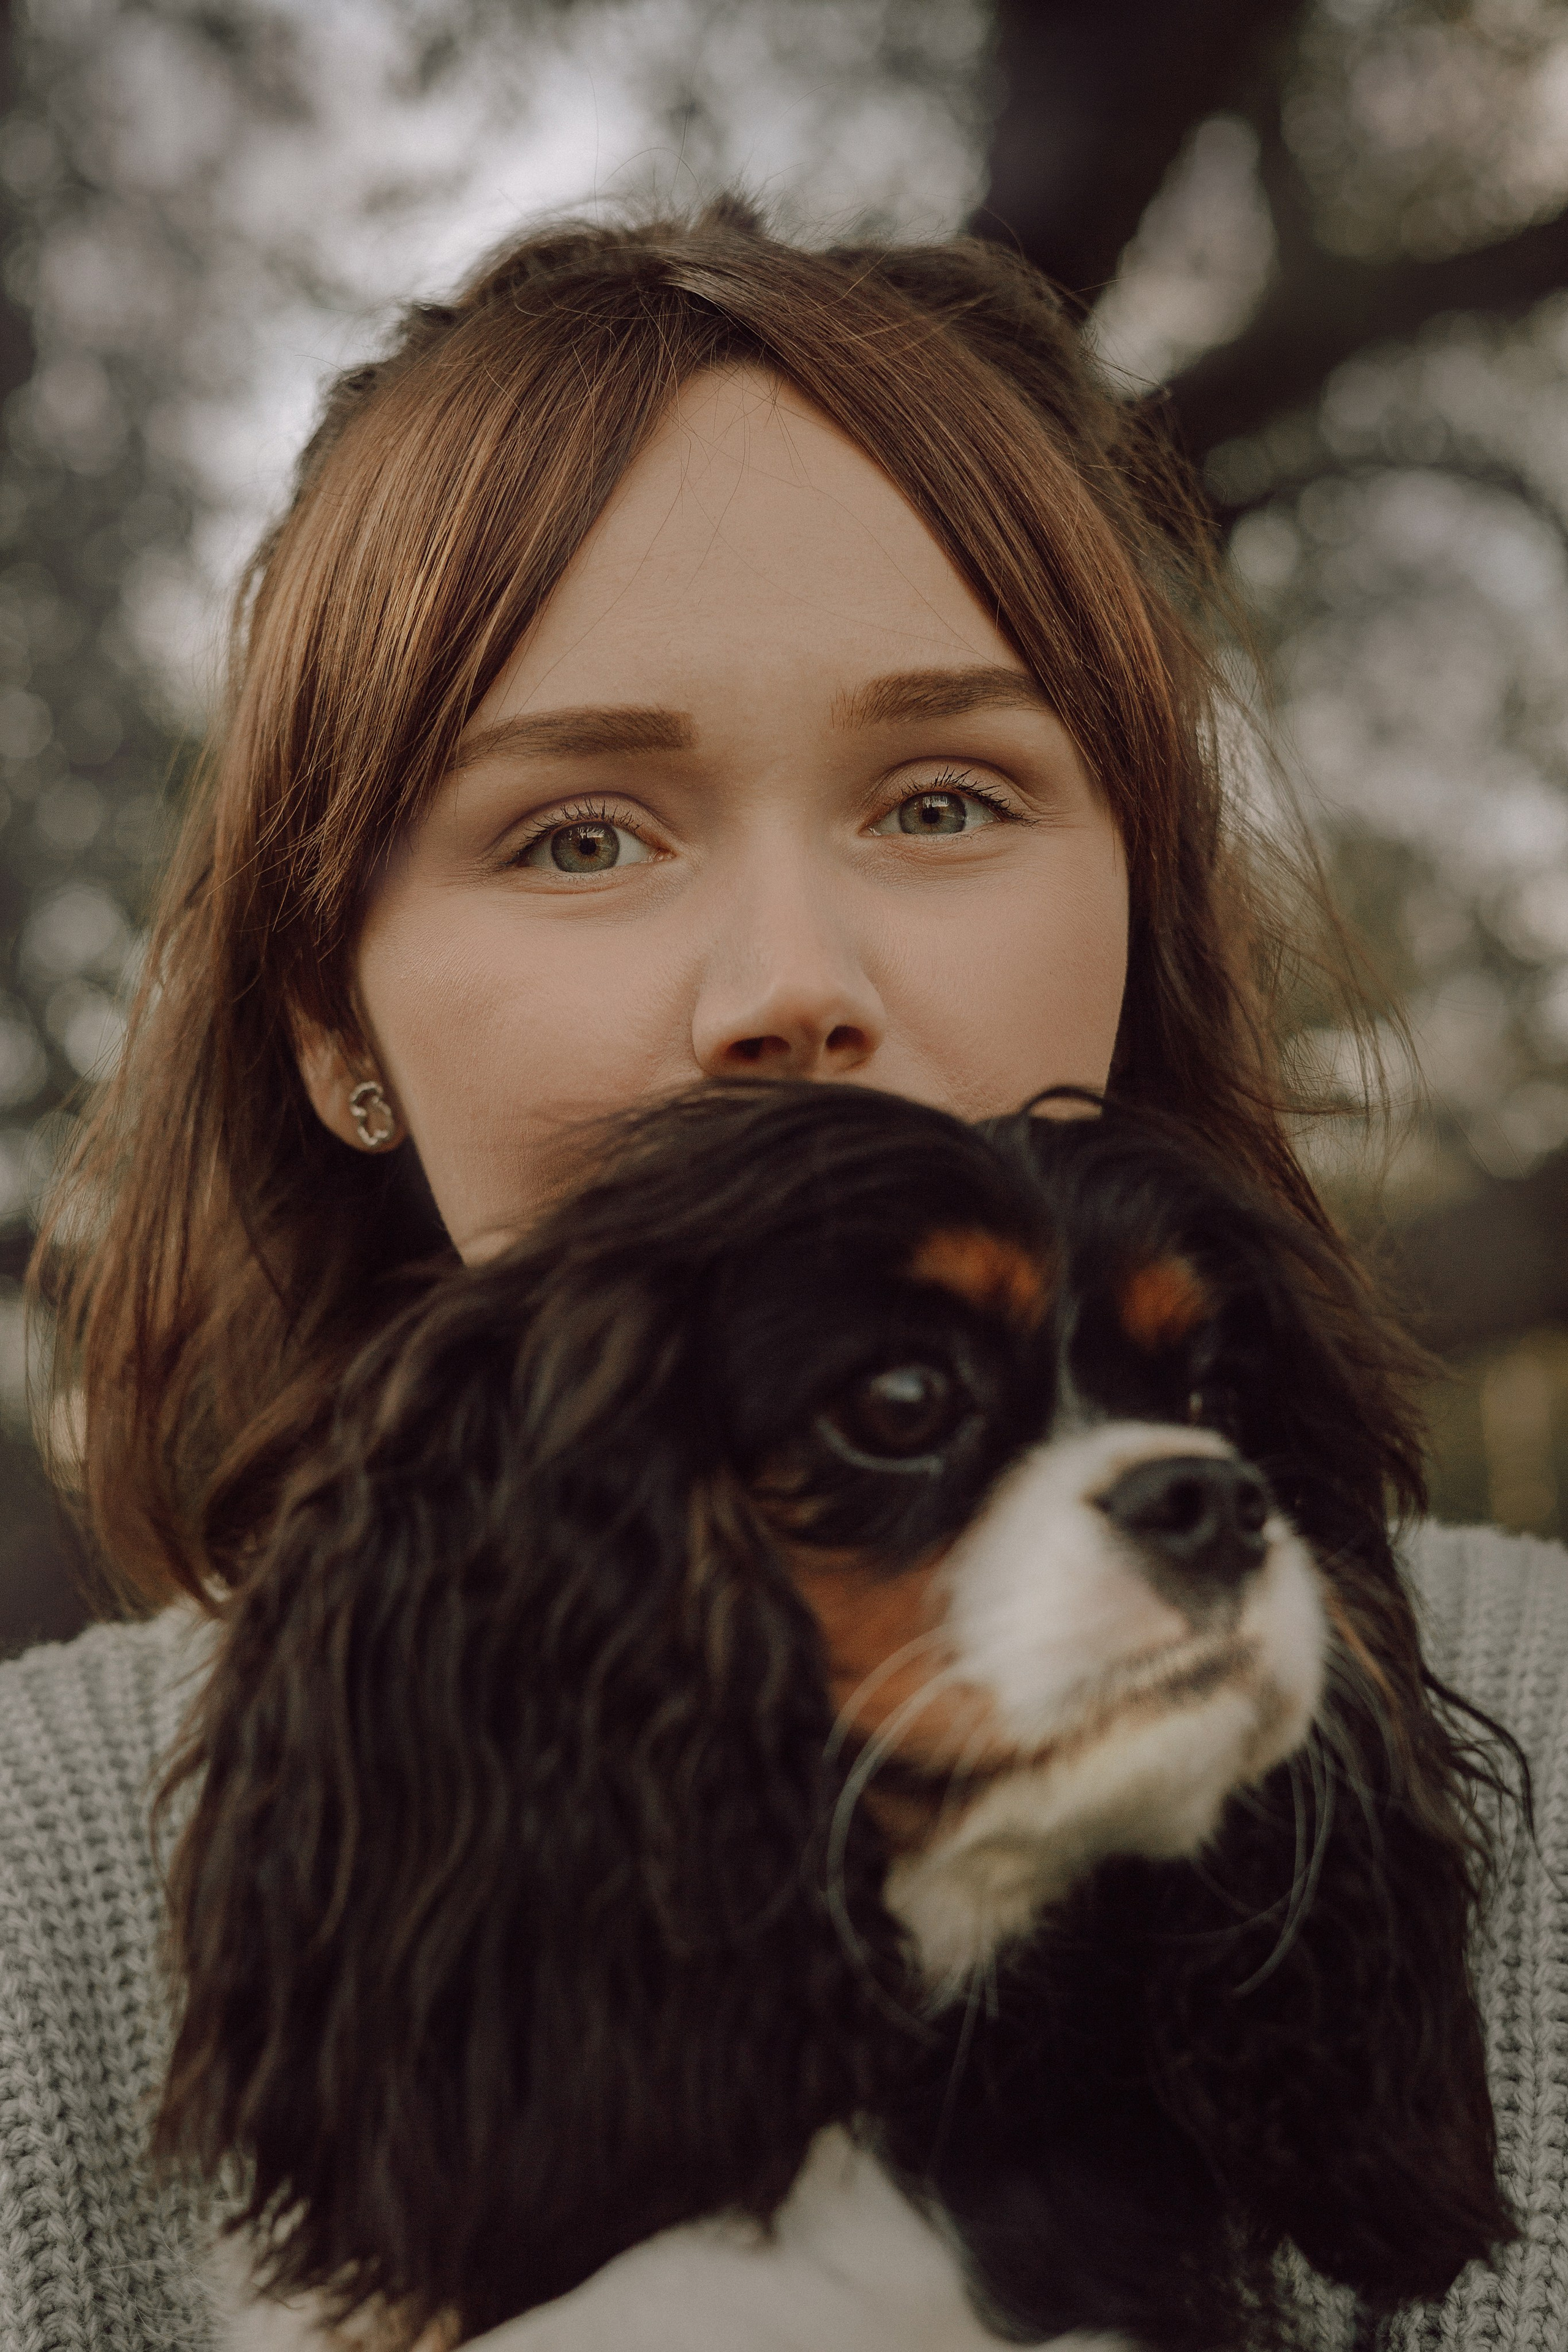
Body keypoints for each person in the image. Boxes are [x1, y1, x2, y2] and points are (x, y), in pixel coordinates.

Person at [0, 199, 1563, 2351]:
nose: (792, 992)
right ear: (330, 1027)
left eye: (943, 799)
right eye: (578, 834)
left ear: (1142, 915)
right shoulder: (27, 1882)